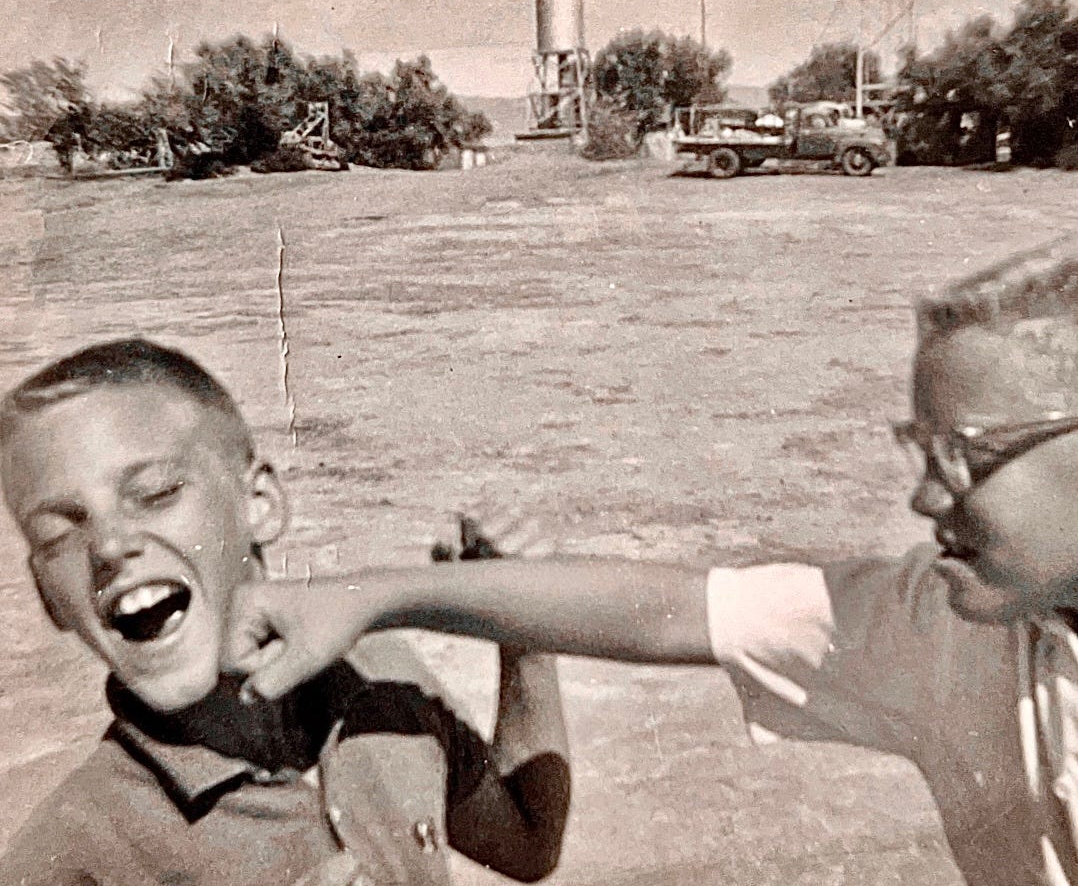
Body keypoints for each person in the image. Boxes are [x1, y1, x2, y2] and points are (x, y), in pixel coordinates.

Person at [228, 241, 1078, 886]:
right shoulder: (946, 623)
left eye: (963, 457)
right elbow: (667, 609)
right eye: (918, 452)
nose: (924, 500)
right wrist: (375, 597)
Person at [0, 339, 569, 886]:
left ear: (261, 506)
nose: (106, 546)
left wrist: (524, 643)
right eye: (58, 533)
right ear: (50, 596)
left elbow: (527, 844)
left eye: (154, 493)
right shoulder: (74, 854)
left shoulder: (379, 676)